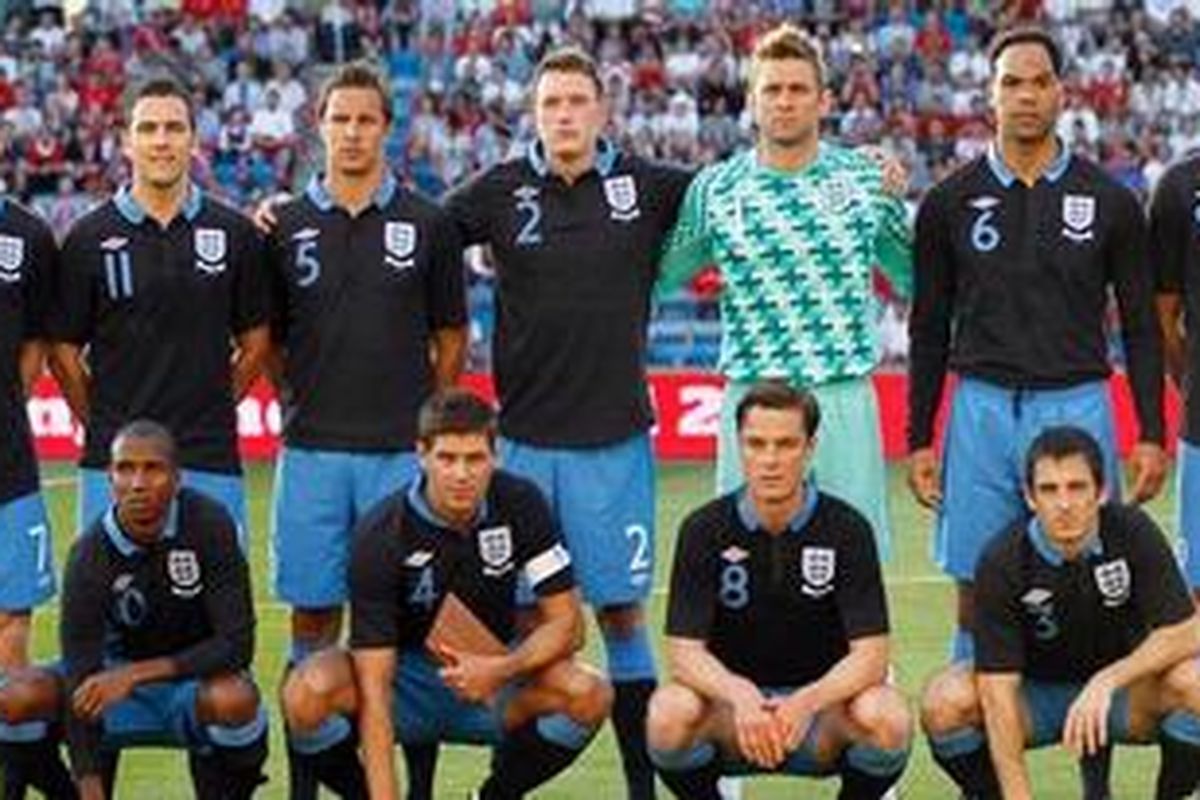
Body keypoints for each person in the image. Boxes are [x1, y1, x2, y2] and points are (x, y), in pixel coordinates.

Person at [443, 45, 692, 799]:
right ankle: (502, 784)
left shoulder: (646, 185)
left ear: (601, 109)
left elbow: (745, 188)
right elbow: (415, 233)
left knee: (620, 614)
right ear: (534, 113)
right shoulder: (500, 189)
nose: (564, 115)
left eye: (576, 102)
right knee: (520, 622)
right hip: (521, 447)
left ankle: (641, 789)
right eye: (550, 104)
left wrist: (862, 168)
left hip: (614, 442)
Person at [907, 26, 1166, 671]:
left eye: (1039, 82)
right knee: (973, 585)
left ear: (1062, 93)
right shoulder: (948, 203)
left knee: (1096, 579)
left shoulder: (1109, 201)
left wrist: (1153, 432)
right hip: (982, 409)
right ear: (989, 97)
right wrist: (918, 437)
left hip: (1076, 402)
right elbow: (929, 327)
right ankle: (974, 749)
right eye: (1011, 83)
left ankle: (1093, 759)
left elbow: (1138, 325)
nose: (1025, 95)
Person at [264, 62, 466, 798]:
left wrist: (427, 418)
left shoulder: (428, 222)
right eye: (339, 119)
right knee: (313, 618)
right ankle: (304, 788)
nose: (351, 132)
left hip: (394, 458)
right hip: (313, 450)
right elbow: (271, 338)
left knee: (407, 626)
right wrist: (298, 393)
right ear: (318, 126)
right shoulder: (283, 225)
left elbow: (451, 334)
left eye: (365, 120)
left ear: (388, 128)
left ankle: (416, 782)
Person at [280, 389, 612, 800]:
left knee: (589, 692)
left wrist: (500, 668)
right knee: (306, 692)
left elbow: (569, 626)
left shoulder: (523, 503)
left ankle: (495, 796)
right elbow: (375, 690)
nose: (461, 474)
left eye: (474, 458)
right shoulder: (381, 534)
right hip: (405, 683)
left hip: (492, 677)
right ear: (421, 454)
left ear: (495, 455)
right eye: (447, 458)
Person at [657, 24, 911, 560]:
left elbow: (916, 276)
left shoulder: (865, 181)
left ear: (824, 101)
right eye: (772, 90)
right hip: (752, 398)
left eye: (798, 90)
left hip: (840, 396)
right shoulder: (717, 189)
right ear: (751, 101)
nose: (785, 101)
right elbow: (659, 275)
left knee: (850, 574)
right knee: (741, 574)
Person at [646, 381, 912, 800]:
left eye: (786, 444)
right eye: (757, 443)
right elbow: (683, 653)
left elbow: (872, 656)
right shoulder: (703, 529)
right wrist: (741, 695)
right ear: (739, 445)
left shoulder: (848, 529)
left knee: (887, 716)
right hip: (733, 719)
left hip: (819, 719)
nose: (770, 460)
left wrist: (808, 701)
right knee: (668, 713)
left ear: (810, 447)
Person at [921, 426, 1200, 800]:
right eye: (1049, 490)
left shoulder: (1133, 531)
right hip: (1038, 699)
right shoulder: (1002, 560)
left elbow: (1187, 631)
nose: (1064, 504)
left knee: (1197, 681)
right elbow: (997, 690)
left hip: (1122, 696)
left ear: (1101, 491)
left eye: (1077, 487)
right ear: (1029, 497)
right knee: (945, 702)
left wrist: (1108, 680)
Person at [48, 77, 270, 537]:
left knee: (214, 605)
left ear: (194, 139)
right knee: (110, 603)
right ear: (126, 141)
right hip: (115, 462)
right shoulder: (88, 238)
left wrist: (215, 404)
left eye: (174, 128)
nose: (161, 141)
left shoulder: (234, 233)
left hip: (208, 458)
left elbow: (256, 342)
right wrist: (102, 422)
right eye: (148, 129)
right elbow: (63, 352)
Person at [2, 420, 268, 799]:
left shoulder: (210, 524)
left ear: (177, 478)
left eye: (152, 468)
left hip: (188, 683)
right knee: (16, 697)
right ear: (110, 478)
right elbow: (82, 680)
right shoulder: (89, 555)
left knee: (236, 698)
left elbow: (237, 645)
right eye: (125, 469)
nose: (138, 483)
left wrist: (135, 675)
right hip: (108, 686)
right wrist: (90, 788)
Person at [0, 194, 74, 796]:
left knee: (10, 620)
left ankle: (14, 774)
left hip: (8, 461)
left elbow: (37, 343)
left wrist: (5, 408)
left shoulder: (27, 233)